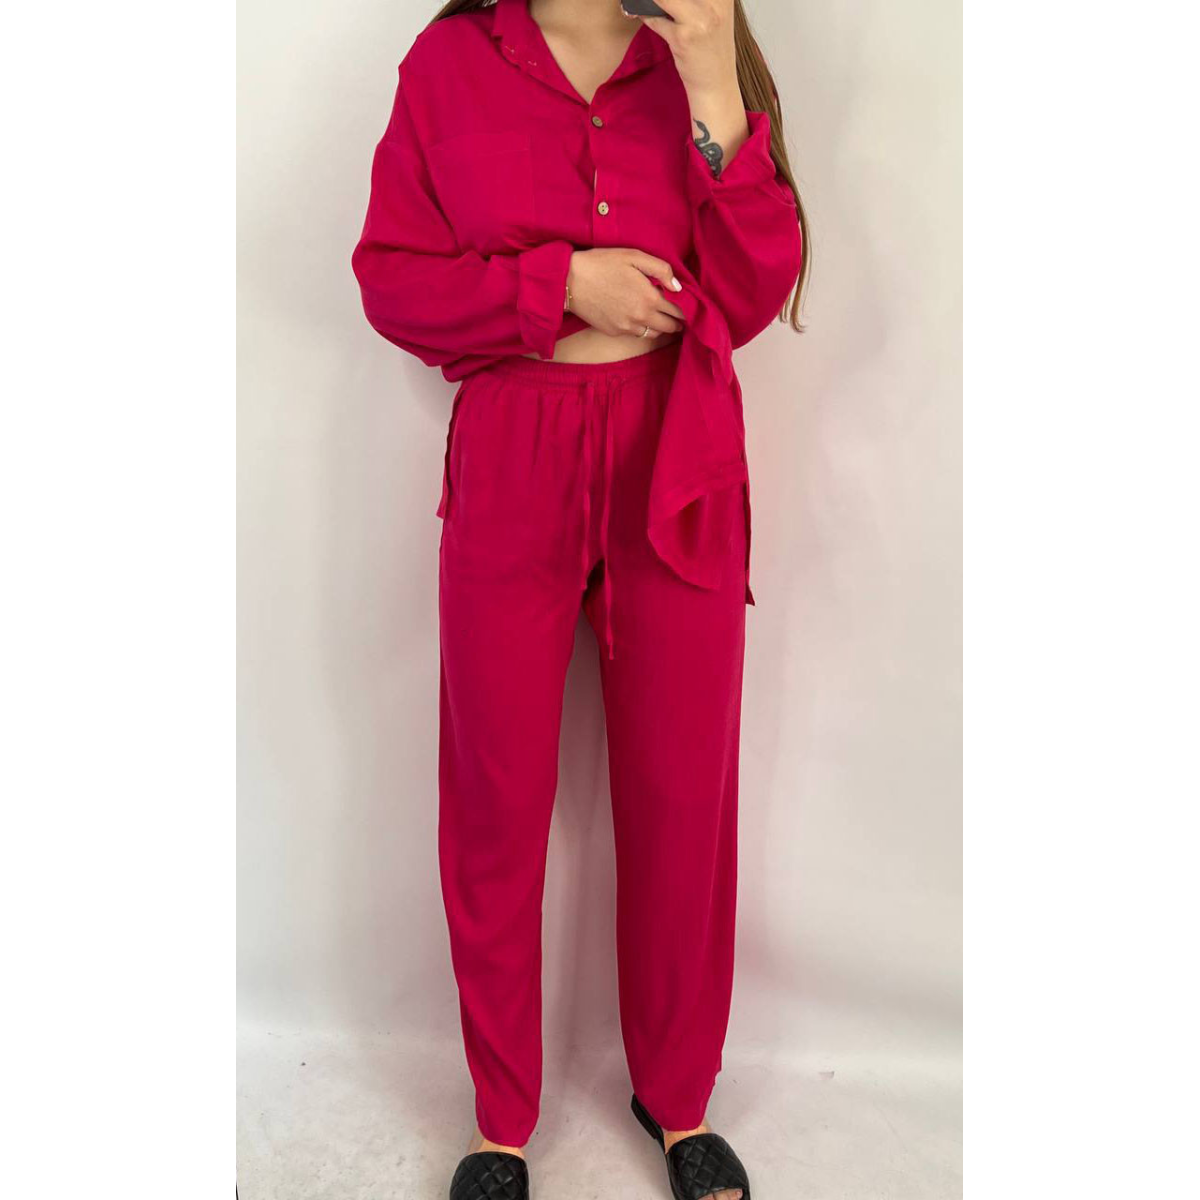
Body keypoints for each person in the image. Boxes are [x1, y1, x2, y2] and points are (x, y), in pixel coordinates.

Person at [351, 1, 808, 1196]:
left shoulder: (692, 49)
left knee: (682, 790)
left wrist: (711, 73)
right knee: (494, 793)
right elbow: (393, 282)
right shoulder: (451, 62)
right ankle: (500, 1118)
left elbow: (751, 292)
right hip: (515, 448)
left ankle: (678, 1099)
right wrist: (561, 285)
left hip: (676, 449)